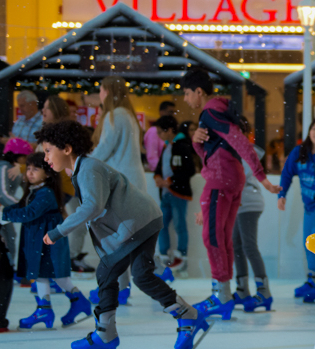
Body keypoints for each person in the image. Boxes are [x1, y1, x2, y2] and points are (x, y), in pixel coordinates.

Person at [41, 120, 208, 349]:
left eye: (48, 151)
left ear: (66, 148)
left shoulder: (88, 168)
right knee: (131, 275)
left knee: (127, 275)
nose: (46, 157)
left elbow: (92, 206)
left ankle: (108, 333)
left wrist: (58, 231)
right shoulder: (82, 170)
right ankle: (181, 316)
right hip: (136, 225)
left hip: (138, 224)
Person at [182, 69, 279, 320]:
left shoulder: (211, 112)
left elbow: (240, 142)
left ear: (199, 92)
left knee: (213, 238)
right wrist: (196, 142)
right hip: (230, 180)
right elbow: (210, 153)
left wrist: (261, 177)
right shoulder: (217, 112)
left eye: (186, 93)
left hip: (220, 181)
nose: (185, 99)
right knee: (223, 238)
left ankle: (221, 295)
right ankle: (223, 294)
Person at [2, 153, 92, 329]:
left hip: (48, 241)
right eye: (28, 168)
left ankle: (72, 304)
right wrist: (5, 209)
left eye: (36, 169)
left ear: (49, 173)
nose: (30, 172)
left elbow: (29, 213)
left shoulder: (46, 193)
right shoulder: (34, 191)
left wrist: (4, 214)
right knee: (43, 274)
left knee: (57, 277)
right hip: (39, 240)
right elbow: (22, 207)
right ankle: (47, 309)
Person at [87, 76, 148, 305]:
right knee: (122, 237)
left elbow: (104, 149)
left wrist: (81, 163)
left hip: (121, 182)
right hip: (133, 180)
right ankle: (122, 286)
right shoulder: (129, 116)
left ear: (107, 91)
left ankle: (117, 287)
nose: (100, 94)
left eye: (101, 89)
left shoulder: (115, 115)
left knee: (113, 238)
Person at [278, 118, 315, 303]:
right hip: (309, 208)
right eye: (313, 129)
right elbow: (287, 172)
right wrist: (281, 194)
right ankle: (314, 281)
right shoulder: (300, 151)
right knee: (309, 243)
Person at [40, 95, 94, 275]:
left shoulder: (60, 135)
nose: (43, 111)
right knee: (61, 226)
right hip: (59, 188)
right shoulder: (51, 133)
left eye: (47, 108)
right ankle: (59, 265)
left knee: (62, 226)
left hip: (62, 188)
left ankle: (61, 264)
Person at [231, 144, 273, 312]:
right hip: (240, 202)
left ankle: (264, 292)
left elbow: (237, 177)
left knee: (248, 246)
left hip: (248, 202)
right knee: (238, 245)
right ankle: (242, 290)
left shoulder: (245, 152)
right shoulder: (234, 151)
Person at [153, 116, 195, 274]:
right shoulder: (168, 147)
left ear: (170, 130)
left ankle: (181, 255)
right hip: (166, 193)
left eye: (160, 132)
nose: (159, 135)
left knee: (179, 224)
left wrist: (170, 181)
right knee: (162, 224)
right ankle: (164, 254)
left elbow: (189, 170)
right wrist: (158, 177)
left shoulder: (182, 146)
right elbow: (159, 167)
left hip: (178, 193)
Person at [144, 101, 177, 171]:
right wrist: (161, 171)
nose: (172, 115)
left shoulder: (170, 131)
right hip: (160, 174)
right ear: (161, 112)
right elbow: (152, 157)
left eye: (173, 112)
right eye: (170, 112)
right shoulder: (154, 131)